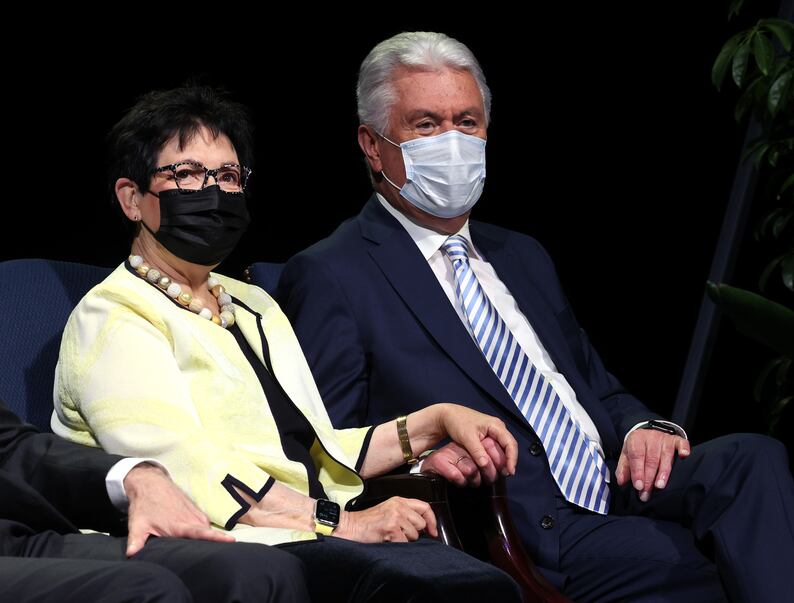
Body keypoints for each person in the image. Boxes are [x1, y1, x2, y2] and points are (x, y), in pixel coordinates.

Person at [275, 31, 794, 603]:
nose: (452, 141)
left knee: (754, 458)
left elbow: (596, 388)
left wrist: (645, 428)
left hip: (615, 483)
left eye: (467, 122)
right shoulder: (332, 273)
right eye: (426, 125)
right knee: (703, 565)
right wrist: (422, 455)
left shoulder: (521, 254)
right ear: (372, 145)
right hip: (520, 519)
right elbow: (327, 448)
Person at [51, 85, 522, 603]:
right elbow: (185, 475)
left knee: (481, 584)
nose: (212, 192)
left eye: (227, 176)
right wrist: (343, 521)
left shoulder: (251, 303)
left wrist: (434, 421)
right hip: (220, 548)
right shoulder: (114, 315)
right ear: (131, 198)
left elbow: (314, 447)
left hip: (299, 529)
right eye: (186, 174)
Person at [1, 398, 307, 603]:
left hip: (15, 541)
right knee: (145, 591)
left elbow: (10, 448)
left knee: (259, 571)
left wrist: (135, 476)